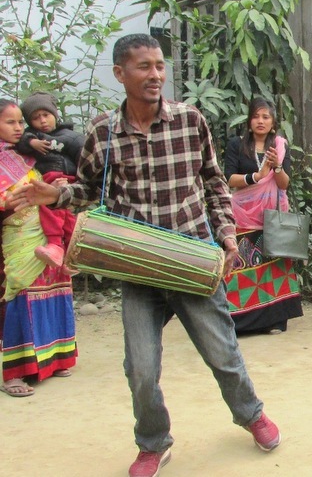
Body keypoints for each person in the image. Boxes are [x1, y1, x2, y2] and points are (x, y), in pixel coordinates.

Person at [9, 34, 280, 477]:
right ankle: (153, 443)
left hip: (192, 259)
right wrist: (55, 194)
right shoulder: (103, 132)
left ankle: (251, 415)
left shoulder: (190, 120)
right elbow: (89, 190)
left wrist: (228, 239)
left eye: (159, 65)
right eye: (144, 67)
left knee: (223, 352)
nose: (155, 74)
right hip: (136, 265)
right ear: (120, 74)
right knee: (141, 366)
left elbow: (214, 183)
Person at [0, 98, 77, 397]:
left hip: (47, 231)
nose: (19, 127)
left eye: (21, 121)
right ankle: (14, 373)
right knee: (21, 291)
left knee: (55, 285)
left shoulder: (30, 155)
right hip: (19, 235)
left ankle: (55, 358)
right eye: (11, 122)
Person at [223, 98, 303, 334]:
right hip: (243, 215)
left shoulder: (279, 145)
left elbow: (284, 184)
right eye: (256, 116)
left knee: (272, 266)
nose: (261, 121)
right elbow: (229, 178)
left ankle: (274, 320)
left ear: (273, 122)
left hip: (272, 216)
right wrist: (257, 176)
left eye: (266, 117)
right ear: (249, 121)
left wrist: (277, 166)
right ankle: (239, 321)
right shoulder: (236, 145)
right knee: (242, 266)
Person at [16, 91, 83, 271]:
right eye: (36, 118)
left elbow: (84, 155)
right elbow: (20, 140)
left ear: (54, 114)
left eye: (46, 115)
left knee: (68, 216)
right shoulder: (32, 135)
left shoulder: (69, 135)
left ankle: (69, 252)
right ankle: (57, 246)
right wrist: (32, 142)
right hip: (47, 181)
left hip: (67, 179)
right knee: (57, 211)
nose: (43, 121)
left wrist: (81, 181)